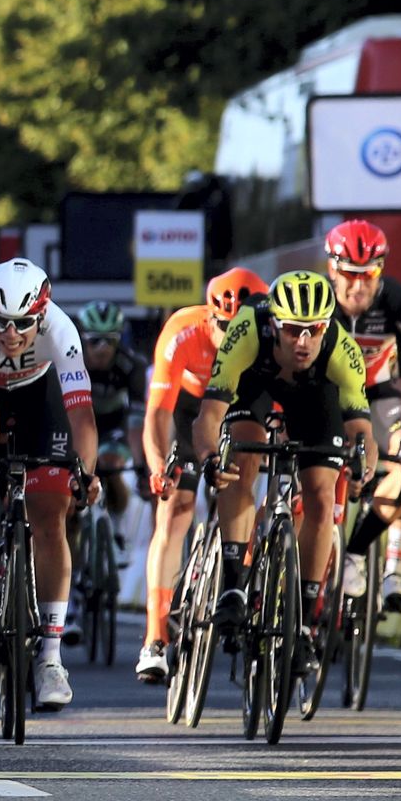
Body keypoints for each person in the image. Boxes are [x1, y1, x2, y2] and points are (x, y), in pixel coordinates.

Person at [0, 258, 98, 710]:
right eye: (1, 322)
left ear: (41, 314)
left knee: (51, 517)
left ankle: (50, 658)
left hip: (38, 398)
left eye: (23, 323)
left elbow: (81, 412)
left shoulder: (62, 330)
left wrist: (86, 471)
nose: (10, 334)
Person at [193, 272, 374, 652]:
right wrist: (211, 457)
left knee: (322, 499)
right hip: (255, 384)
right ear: (274, 323)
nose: (304, 341)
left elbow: (362, 430)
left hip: (315, 397)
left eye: (314, 330)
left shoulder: (341, 348)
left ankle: (305, 624)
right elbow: (208, 415)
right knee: (240, 459)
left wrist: (363, 467)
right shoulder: (247, 327)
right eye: (293, 330)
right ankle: (232, 587)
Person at [136, 268, 266, 683]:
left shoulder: (269, 334)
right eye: (225, 326)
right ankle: (155, 637)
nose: (232, 336)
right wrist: (159, 466)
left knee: (244, 487)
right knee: (176, 508)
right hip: (190, 410)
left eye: (241, 327)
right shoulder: (183, 331)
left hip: (242, 408)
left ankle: (239, 587)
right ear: (210, 317)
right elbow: (158, 411)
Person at [326, 220, 401, 615]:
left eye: (368, 274)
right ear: (332, 269)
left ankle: (358, 553)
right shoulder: (319, 302)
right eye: (349, 275)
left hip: (382, 393)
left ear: (381, 269)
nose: (358, 287)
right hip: (330, 393)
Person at [68, 299, 148, 644]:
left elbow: (136, 422)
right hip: (78, 423)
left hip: (114, 427)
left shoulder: (131, 367)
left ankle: (114, 532)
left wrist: (142, 465)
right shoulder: (69, 363)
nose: (101, 349)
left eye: (109, 341)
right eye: (93, 341)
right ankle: (69, 594)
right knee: (70, 502)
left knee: (114, 466)